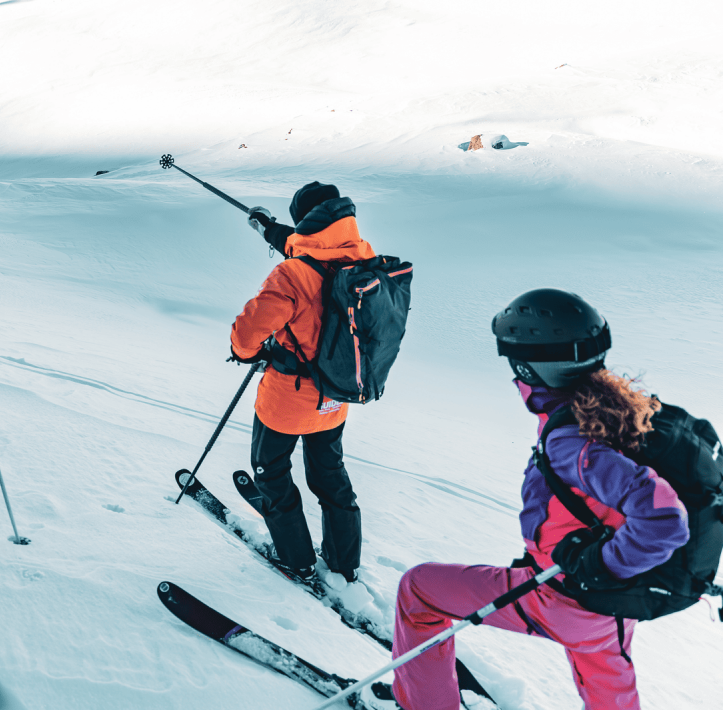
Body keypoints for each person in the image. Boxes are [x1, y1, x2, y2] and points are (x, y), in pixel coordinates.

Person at [380, 289, 690, 710]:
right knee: (610, 690)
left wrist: (597, 566)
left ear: (528, 366)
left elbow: (663, 518)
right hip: (612, 610)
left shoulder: (569, 440)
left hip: (561, 596)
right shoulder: (616, 409)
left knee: (418, 590)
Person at [232, 182, 376, 589]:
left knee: (272, 473)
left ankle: (296, 559)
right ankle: (344, 561)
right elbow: (304, 248)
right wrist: (267, 228)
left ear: (306, 223)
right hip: (338, 395)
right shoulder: (363, 256)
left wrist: (245, 352)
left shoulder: (291, 275)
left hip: (286, 402)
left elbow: (247, 333)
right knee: (329, 473)